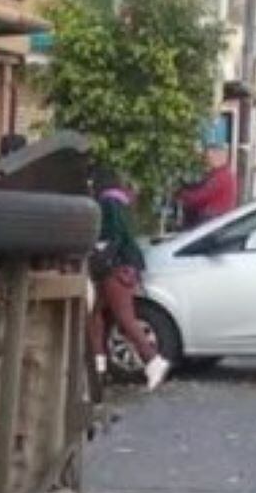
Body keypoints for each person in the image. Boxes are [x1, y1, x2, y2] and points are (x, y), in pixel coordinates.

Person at [87, 177, 170, 392]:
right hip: (123, 266)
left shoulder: (107, 203)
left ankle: (152, 360)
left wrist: (100, 256)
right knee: (98, 315)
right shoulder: (121, 204)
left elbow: (112, 237)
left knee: (120, 318)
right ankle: (98, 366)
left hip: (115, 267)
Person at [178, 143, 239, 227]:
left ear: (218, 156)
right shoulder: (222, 174)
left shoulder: (220, 177)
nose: (207, 161)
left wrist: (183, 195)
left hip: (212, 221)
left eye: (209, 157)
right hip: (215, 219)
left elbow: (201, 197)